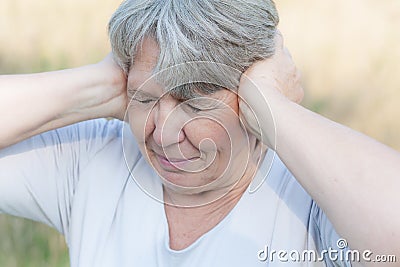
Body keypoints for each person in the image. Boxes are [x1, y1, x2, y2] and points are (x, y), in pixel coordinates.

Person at [0, 0, 399, 266]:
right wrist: (98, 85)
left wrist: (274, 108)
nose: (164, 135)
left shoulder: (312, 197)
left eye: (195, 102)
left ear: (251, 92)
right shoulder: (91, 158)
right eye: (143, 97)